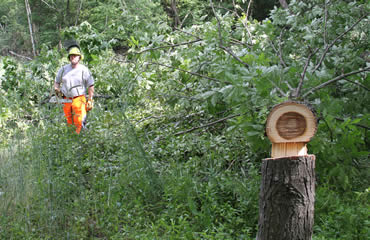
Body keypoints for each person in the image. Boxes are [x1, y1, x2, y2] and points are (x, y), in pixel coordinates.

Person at [54, 46, 94, 133]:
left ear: (79, 57)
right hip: (66, 99)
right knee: (69, 122)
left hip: (79, 98)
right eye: (71, 55)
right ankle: (71, 140)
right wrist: (56, 89)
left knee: (79, 121)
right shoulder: (63, 69)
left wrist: (90, 99)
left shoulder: (84, 70)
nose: (73, 57)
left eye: (75, 55)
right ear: (69, 58)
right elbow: (57, 81)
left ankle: (79, 139)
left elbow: (91, 85)